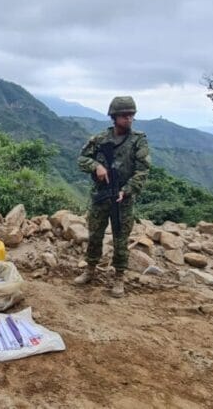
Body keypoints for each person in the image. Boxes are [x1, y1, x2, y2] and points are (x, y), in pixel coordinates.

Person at [74, 96, 150, 297]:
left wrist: (126, 190)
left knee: (120, 238)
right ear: (114, 117)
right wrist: (96, 166)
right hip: (100, 195)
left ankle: (119, 277)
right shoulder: (100, 140)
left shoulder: (138, 141)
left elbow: (142, 171)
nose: (129, 119)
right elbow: (82, 158)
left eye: (131, 115)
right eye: (124, 115)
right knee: (95, 235)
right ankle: (90, 269)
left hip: (122, 199)